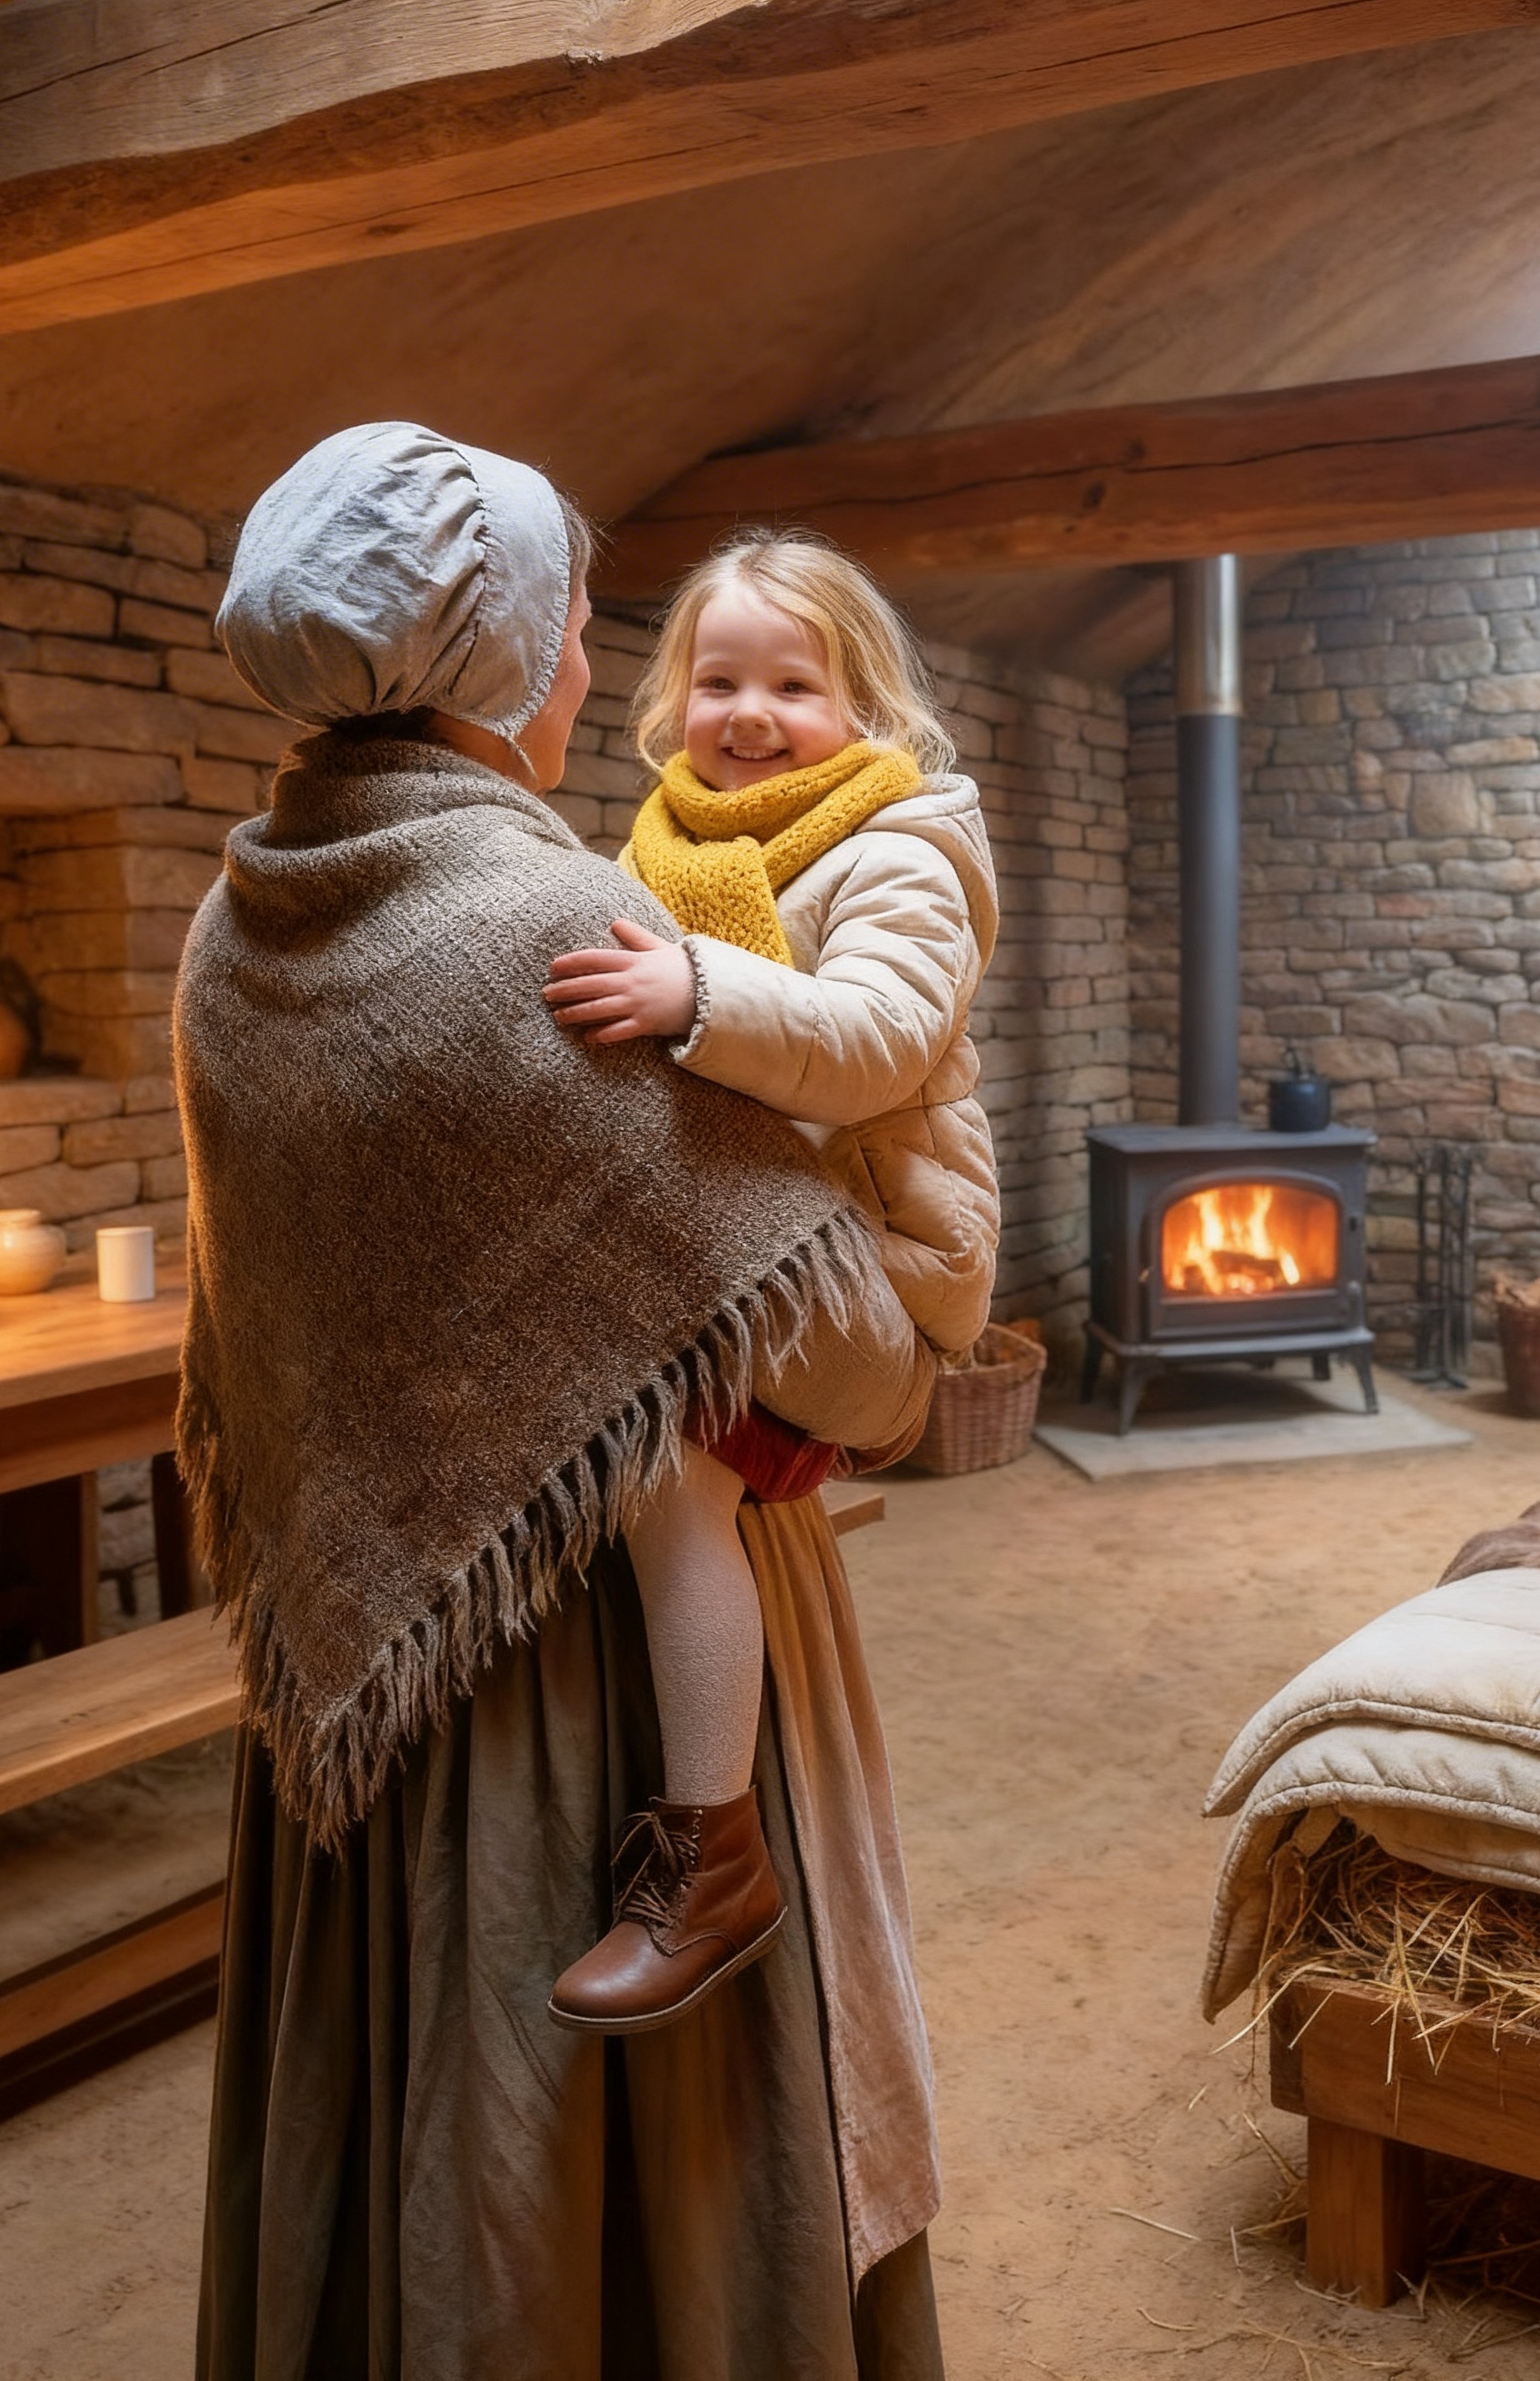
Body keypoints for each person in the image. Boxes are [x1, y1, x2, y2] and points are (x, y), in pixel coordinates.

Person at [185, 422, 946, 2375]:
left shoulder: (234, 926)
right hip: (579, 1679)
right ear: (510, 655)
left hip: (363, 1653)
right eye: (583, 625)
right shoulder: (558, 936)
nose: (607, 669)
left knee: (405, 2122)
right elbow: (845, 1363)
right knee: (601, 2172)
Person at [537, 532, 999, 2033]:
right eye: (720, 677)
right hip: (749, 1237)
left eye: (794, 684)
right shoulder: (661, 851)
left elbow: (876, 1038)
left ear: (868, 708)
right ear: (672, 698)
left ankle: (711, 1848)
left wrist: (694, 994)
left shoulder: (901, 850)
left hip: (882, 1262)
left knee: (672, 1474)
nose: (750, 710)